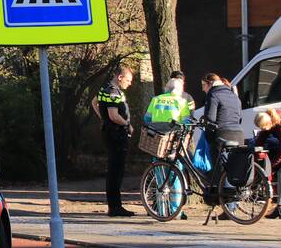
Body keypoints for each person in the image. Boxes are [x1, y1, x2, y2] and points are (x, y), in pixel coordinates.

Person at [143, 77, 190, 219]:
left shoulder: (156, 100)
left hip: (157, 142)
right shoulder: (181, 102)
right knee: (176, 176)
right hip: (173, 142)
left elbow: (147, 119)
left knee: (159, 177)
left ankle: (162, 211)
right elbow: (186, 123)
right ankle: (176, 210)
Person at [92, 64, 134, 217]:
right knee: (116, 171)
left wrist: (103, 119)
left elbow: (94, 102)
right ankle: (115, 207)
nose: (129, 83)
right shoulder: (113, 92)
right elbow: (114, 115)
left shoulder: (104, 89)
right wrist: (127, 125)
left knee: (113, 170)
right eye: (128, 80)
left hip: (110, 132)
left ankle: (114, 206)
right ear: (120, 77)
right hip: (116, 134)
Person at [200, 73, 245, 147]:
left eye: (203, 85)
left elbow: (210, 119)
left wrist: (209, 139)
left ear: (210, 83)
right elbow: (239, 118)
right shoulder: (234, 96)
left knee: (217, 154)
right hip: (239, 135)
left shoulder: (213, 95)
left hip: (222, 135)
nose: (203, 89)